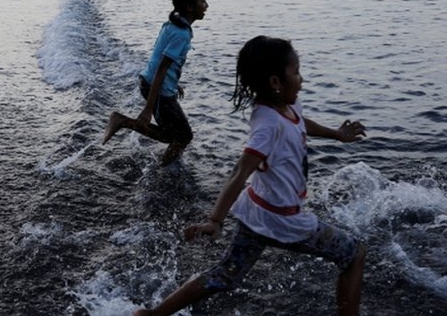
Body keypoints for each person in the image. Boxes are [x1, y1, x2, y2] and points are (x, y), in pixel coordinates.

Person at [134, 36, 368, 316]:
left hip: (256, 211)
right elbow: (239, 171)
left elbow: (300, 124)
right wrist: (215, 220)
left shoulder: (287, 107)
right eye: (296, 72)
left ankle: (153, 314)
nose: (301, 79)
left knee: (225, 276)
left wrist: (336, 134)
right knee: (354, 254)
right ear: (275, 82)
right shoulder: (267, 125)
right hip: (282, 219)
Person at [102, 0, 208, 166]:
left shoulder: (172, 26)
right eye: (203, 1)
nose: (206, 6)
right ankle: (162, 168)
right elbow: (161, 68)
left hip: (154, 84)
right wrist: (148, 109)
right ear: (190, 6)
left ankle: (164, 167)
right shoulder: (181, 34)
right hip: (156, 89)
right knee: (183, 136)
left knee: (172, 135)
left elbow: (162, 62)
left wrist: (174, 83)